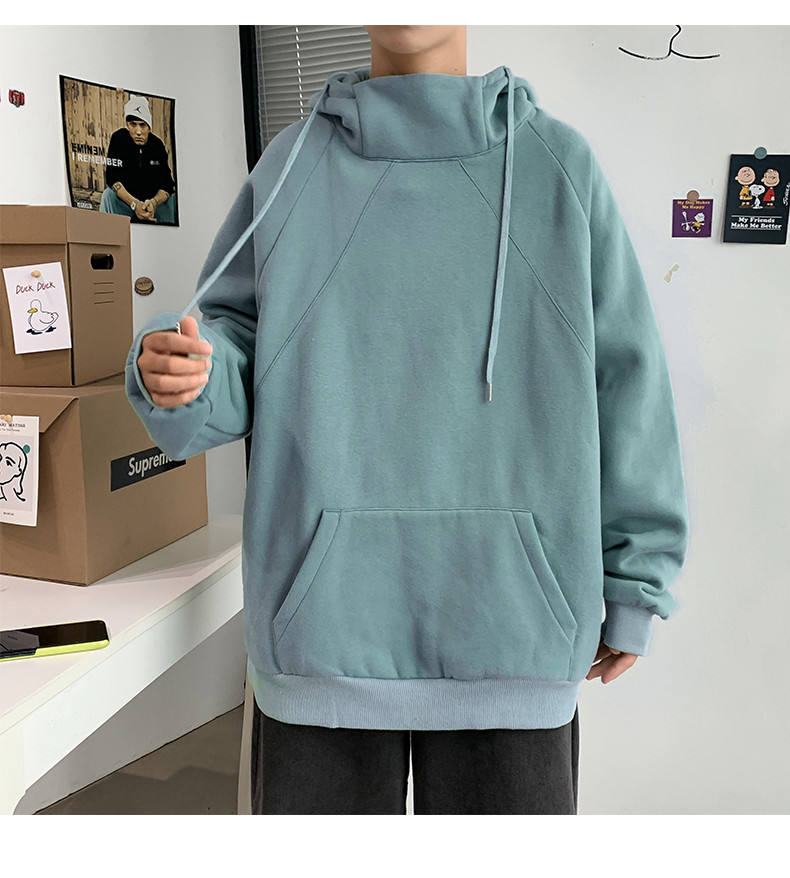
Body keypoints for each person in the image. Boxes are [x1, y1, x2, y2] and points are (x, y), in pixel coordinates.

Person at [124, 25, 690, 814]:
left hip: (511, 631)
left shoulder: (557, 165)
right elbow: (232, 347)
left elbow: (628, 383)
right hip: (324, 637)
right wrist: (184, 375)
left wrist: (637, 581)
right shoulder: (290, 167)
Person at [99, 93, 177, 224]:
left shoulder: (157, 144)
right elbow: (112, 177)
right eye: (133, 124)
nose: (138, 131)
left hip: (153, 206)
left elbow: (167, 183)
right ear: (127, 125)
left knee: (172, 201)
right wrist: (134, 204)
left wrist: (154, 202)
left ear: (149, 127)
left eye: (142, 125)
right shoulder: (118, 138)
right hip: (127, 203)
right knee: (108, 195)